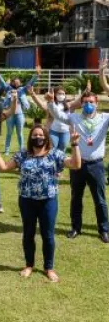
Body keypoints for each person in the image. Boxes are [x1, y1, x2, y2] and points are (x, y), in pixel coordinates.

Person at [0, 125, 81, 282]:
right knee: (28, 234)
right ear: (30, 138)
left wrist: (75, 144)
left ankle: (49, 267)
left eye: (40, 135)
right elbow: (4, 168)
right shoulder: (23, 155)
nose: (37, 137)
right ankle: (29, 265)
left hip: (48, 201)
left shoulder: (55, 154)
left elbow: (75, 164)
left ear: (46, 137)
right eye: (34, 135)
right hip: (27, 200)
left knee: (48, 235)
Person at [48, 82, 109, 243]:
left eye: (91, 102)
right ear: (81, 104)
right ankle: (76, 228)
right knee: (76, 197)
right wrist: (50, 102)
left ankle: (104, 230)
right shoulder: (74, 118)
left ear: (97, 103)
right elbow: (59, 115)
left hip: (96, 164)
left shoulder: (105, 118)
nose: (88, 105)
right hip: (78, 164)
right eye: (85, 102)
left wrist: (104, 79)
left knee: (100, 199)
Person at [0, 64, 40, 155]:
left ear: (20, 83)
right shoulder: (8, 89)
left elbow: (30, 83)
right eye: (15, 82)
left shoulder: (22, 90)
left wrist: (36, 74)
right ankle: (7, 150)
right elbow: (2, 82)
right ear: (12, 83)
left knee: (20, 133)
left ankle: (21, 149)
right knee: (9, 132)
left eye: (18, 82)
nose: (16, 83)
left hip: (20, 114)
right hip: (9, 114)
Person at [27, 86, 75, 151]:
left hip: (65, 132)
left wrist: (86, 91)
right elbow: (41, 105)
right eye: (59, 93)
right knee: (52, 148)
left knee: (62, 149)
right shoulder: (50, 104)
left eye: (63, 94)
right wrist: (33, 94)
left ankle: (61, 161)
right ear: (54, 94)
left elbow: (80, 102)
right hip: (53, 131)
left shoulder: (69, 105)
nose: (61, 95)